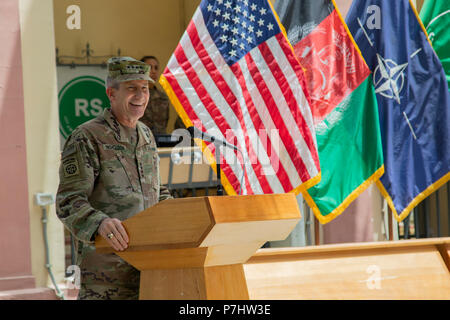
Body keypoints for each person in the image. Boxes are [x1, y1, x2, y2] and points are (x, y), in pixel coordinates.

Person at [56, 56, 172, 300]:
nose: (140, 96)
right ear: (112, 93)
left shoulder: (146, 135)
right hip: (106, 279)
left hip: (148, 272)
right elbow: (68, 201)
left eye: (144, 88)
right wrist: (100, 222)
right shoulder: (87, 137)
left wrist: (178, 212)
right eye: (131, 88)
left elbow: (156, 191)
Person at [139, 55, 185, 135]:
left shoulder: (163, 97)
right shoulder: (135, 96)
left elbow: (165, 123)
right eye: (149, 68)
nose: (153, 71)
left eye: (156, 68)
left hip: (160, 141)